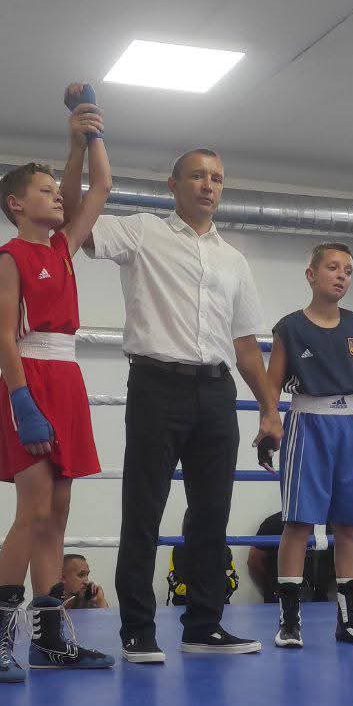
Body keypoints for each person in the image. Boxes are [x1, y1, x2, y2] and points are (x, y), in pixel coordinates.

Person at [83, 148, 279, 662]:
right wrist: (83, 148)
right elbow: (79, 229)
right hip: (156, 385)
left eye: (217, 178)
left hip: (216, 391)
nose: (208, 185)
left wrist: (269, 409)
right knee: (143, 510)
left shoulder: (233, 260)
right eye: (197, 175)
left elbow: (245, 345)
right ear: (174, 184)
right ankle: (137, 631)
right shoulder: (142, 231)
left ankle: (204, 627)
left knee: (211, 514)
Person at [0, 84, 115, 681]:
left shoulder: (63, 247)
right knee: (32, 513)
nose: (58, 194)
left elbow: (99, 186)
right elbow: (3, 336)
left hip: (67, 378)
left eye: (58, 190)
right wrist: (22, 400)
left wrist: (87, 134)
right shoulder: (11, 255)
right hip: (29, 379)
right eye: (45, 189)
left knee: (58, 514)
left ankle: (51, 639)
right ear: (15, 203)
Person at [257, 242, 353, 648]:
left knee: (349, 524)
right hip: (307, 425)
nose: (342, 275)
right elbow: (271, 386)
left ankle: (350, 621)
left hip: (350, 427)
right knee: (298, 523)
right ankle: (289, 621)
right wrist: (268, 425)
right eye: (333, 267)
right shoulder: (290, 328)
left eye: (348, 270)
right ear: (311, 274)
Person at [247, 511, 333, 602]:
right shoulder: (273, 522)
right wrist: (269, 588)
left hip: (318, 598)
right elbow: (254, 562)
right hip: (278, 597)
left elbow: (338, 563)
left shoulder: (330, 524)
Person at [167, 510, 239, 608]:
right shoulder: (179, 549)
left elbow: (233, 582)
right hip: (186, 607)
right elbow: (177, 586)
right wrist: (212, 586)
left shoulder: (224, 550)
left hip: (218, 608)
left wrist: (201, 587)